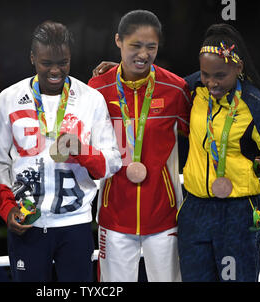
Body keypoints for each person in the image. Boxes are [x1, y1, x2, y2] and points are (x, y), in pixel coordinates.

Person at [0, 21, 122, 282]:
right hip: (28, 220)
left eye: (63, 62)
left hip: (75, 223)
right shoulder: (8, 98)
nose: (55, 70)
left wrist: (81, 150)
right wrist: (6, 208)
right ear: (32, 58)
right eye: (46, 62)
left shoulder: (90, 98)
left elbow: (113, 161)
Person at [178, 23, 260, 281]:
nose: (211, 83)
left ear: (238, 68)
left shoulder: (257, 106)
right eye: (205, 74)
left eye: (219, 75)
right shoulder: (191, 88)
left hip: (239, 214)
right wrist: (120, 71)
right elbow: (157, 82)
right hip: (195, 211)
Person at [88, 10, 191, 282]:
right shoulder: (98, 89)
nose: (143, 54)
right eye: (135, 46)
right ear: (118, 41)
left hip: (164, 215)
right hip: (113, 214)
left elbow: (202, 133)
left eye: (151, 47)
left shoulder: (175, 90)